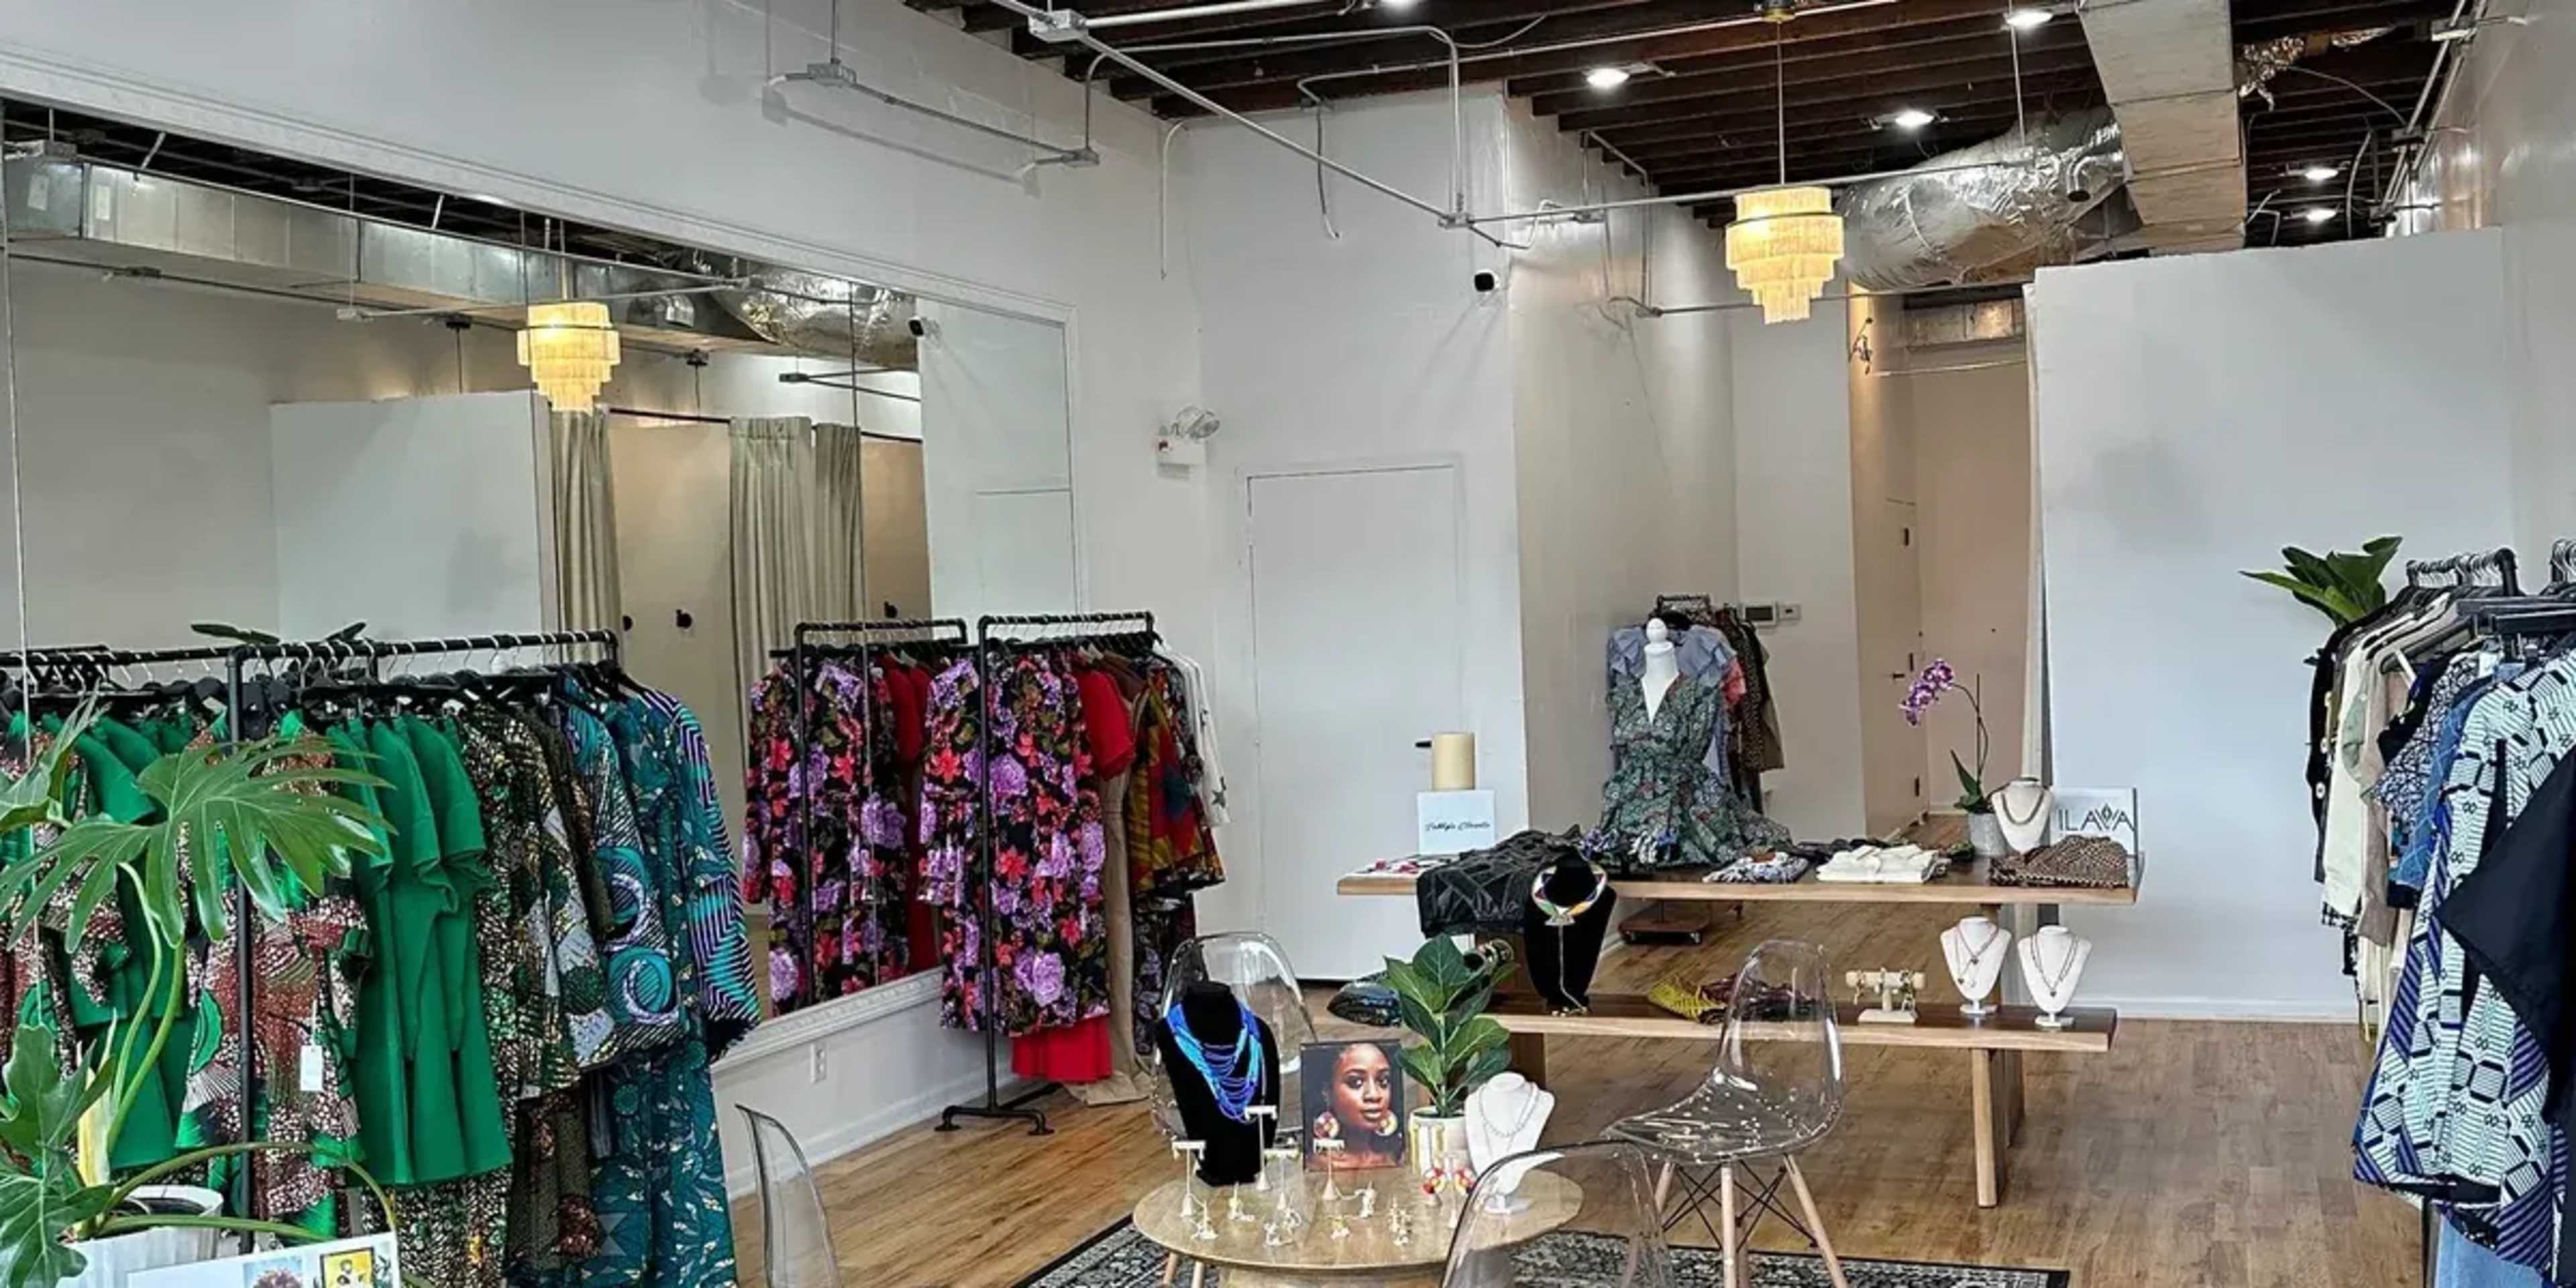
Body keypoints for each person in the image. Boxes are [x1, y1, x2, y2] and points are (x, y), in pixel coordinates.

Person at [1309, 1041, 1403, 1169]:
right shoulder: (1317, 1166)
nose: (1374, 1095)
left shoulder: (1396, 1158)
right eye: (1356, 1082)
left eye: (1383, 1081)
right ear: (1327, 1093)